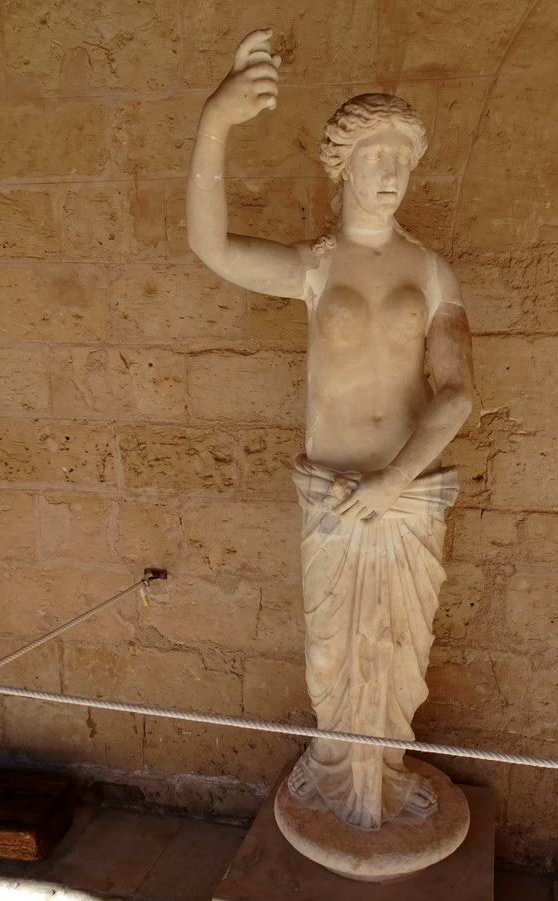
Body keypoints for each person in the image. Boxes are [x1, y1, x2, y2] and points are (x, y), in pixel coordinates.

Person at [187, 29, 473, 831]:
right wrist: (216, 123)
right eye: (377, 158)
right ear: (343, 165)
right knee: (330, 653)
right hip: (333, 498)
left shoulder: (430, 271)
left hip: (405, 500)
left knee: (401, 654)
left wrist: (394, 481)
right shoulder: (317, 267)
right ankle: (333, 761)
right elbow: (209, 246)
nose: (392, 176)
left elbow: (455, 394)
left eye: (404, 161)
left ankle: (383, 768)